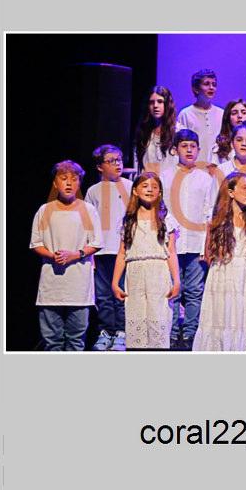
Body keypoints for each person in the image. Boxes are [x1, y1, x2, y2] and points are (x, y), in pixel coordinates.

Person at [193, 172, 246, 351]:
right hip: (223, 273)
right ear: (230, 192)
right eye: (244, 188)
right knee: (223, 316)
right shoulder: (216, 221)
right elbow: (208, 253)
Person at [30, 161, 102, 351]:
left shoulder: (88, 210)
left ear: (79, 183)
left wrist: (75, 255)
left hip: (79, 285)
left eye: (74, 179)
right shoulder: (45, 210)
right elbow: (36, 243)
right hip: (51, 286)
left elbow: (96, 242)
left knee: (76, 340)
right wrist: (53, 256)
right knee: (52, 341)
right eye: (64, 179)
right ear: (55, 183)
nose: (69, 183)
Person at [112, 171, 180, 350]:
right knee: (137, 319)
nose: (150, 190)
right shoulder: (129, 221)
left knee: (158, 317)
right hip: (135, 273)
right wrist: (115, 282)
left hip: (158, 272)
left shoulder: (166, 219)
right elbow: (122, 253)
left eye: (154, 187)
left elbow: (172, 252)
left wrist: (176, 280)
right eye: (145, 186)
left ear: (160, 192)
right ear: (135, 191)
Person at [167, 129, 218, 348]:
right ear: (175, 149)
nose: (189, 150)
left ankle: (190, 333)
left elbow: (209, 212)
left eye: (193, 146)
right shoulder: (166, 176)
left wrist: (207, 244)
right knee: (173, 289)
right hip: (172, 243)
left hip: (196, 242)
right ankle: (170, 332)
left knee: (195, 290)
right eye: (184, 146)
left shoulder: (205, 179)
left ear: (198, 150)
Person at [85, 144, 132, 350]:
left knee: (120, 292)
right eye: (111, 161)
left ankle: (121, 332)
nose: (117, 164)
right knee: (103, 294)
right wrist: (90, 253)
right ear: (100, 167)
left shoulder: (130, 187)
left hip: (123, 251)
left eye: (119, 160)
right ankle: (106, 331)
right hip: (101, 251)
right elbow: (88, 223)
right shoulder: (93, 191)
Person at [176, 69, 223, 161]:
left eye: (214, 84)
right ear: (196, 89)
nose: (211, 87)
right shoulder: (186, 114)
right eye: (206, 84)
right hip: (193, 165)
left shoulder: (222, 113)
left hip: (217, 166)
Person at [135, 86, 178, 174]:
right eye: (151, 102)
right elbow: (139, 163)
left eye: (160, 102)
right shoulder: (143, 132)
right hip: (150, 180)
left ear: (167, 104)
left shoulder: (178, 131)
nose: (155, 106)